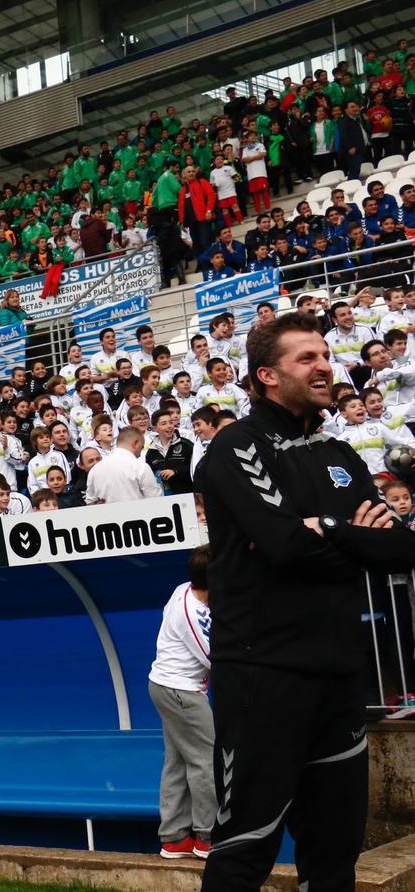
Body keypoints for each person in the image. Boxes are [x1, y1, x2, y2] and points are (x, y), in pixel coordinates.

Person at [198, 312, 415, 890]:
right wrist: (348, 537)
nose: (325, 366)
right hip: (264, 676)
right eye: (307, 358)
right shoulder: (236, 447)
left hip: (341, 675)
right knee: (246, 847)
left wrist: (332, 528)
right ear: (267, 376)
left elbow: (400, 548)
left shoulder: (340, 453)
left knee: (335, 851)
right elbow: (287, 546)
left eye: (325, 354)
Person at [149, 545, 214, 861]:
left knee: (177, 761)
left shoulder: (183, 589)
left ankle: (174, 839)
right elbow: (215, 658)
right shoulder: (194, 613)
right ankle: (208, 836)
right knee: (207, 760)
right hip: (181, 692)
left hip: (164, 686)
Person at [85, 426, 161, 504]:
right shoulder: (140, 466)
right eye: (141, 448)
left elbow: (90, 502)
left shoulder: (95, 470)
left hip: (107, 515)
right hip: (138, 514)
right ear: (136, 443)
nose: (140, 454)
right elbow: (155, 499)